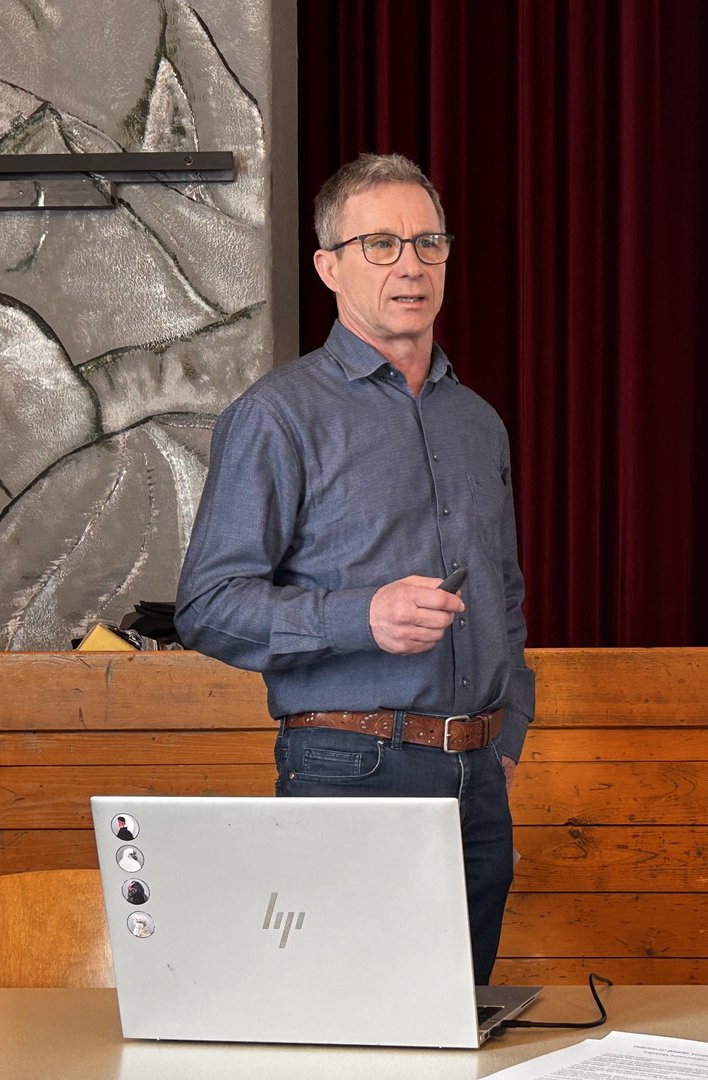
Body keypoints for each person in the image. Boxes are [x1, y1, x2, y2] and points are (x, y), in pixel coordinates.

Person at [175, 152, 534, 984]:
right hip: (349, 772)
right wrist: (358, 617)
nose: (411, 265)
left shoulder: (478, 423)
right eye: (380, 244)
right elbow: (208, 605)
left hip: (479, 782)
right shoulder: (278, 416)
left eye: (429, 242)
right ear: (328, 267)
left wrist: (510, 725)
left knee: (460, 1029)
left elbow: (505, 595)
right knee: (348, 1030)